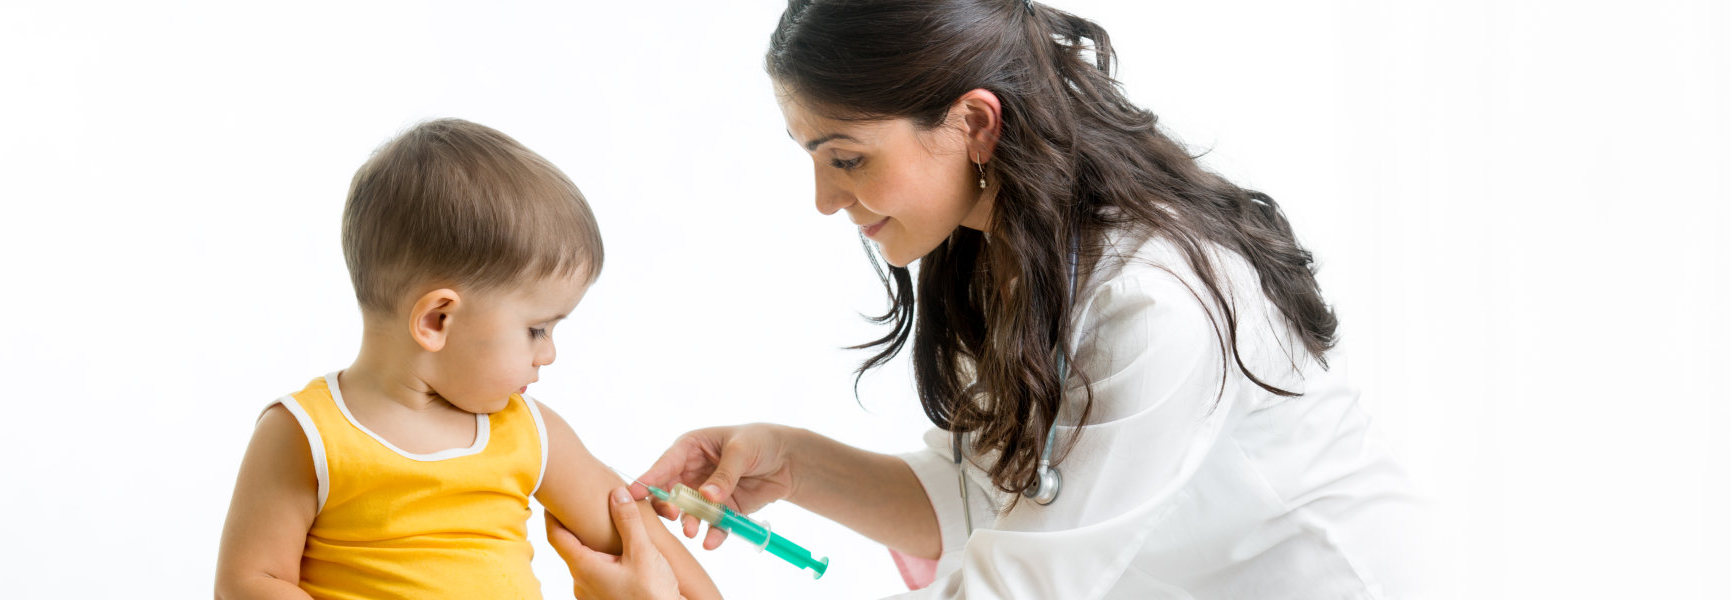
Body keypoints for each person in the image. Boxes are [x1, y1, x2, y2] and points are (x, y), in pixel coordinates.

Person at [549, 0, 1426, 597]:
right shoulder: (1002, 247)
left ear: (973, 123)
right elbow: (986, 494)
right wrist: (794, 461)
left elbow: (1020, 579)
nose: (822, 199)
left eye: (845, 157)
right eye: (808, 155)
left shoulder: (1154, 305)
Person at [213, 119, 718, 599]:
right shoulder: (306, 434)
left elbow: (644, 541)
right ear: (437, 320)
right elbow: (248, 581)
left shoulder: (531, 433)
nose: (549, 354)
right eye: (536, 329)